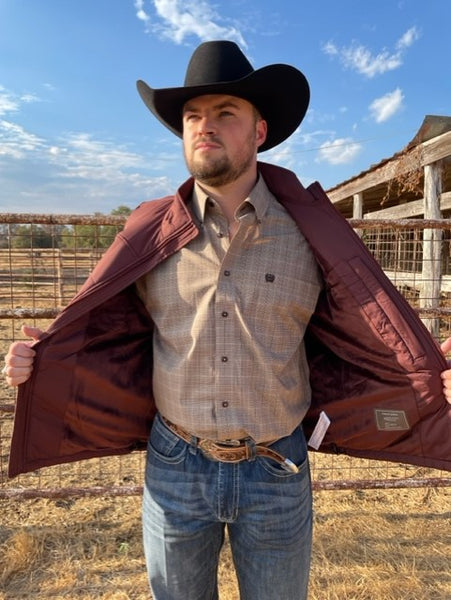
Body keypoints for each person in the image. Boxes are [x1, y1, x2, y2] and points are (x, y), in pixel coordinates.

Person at [3, 41, 451, 600]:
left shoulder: (313, 233)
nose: (204, 126)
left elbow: (366, 330)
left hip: (277, 469)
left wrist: (433, 372)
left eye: (224, 113)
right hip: (175, 466)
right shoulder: (149, 233)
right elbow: (101, 329)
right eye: (192, 116)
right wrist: (36, 360)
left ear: (259, 131)